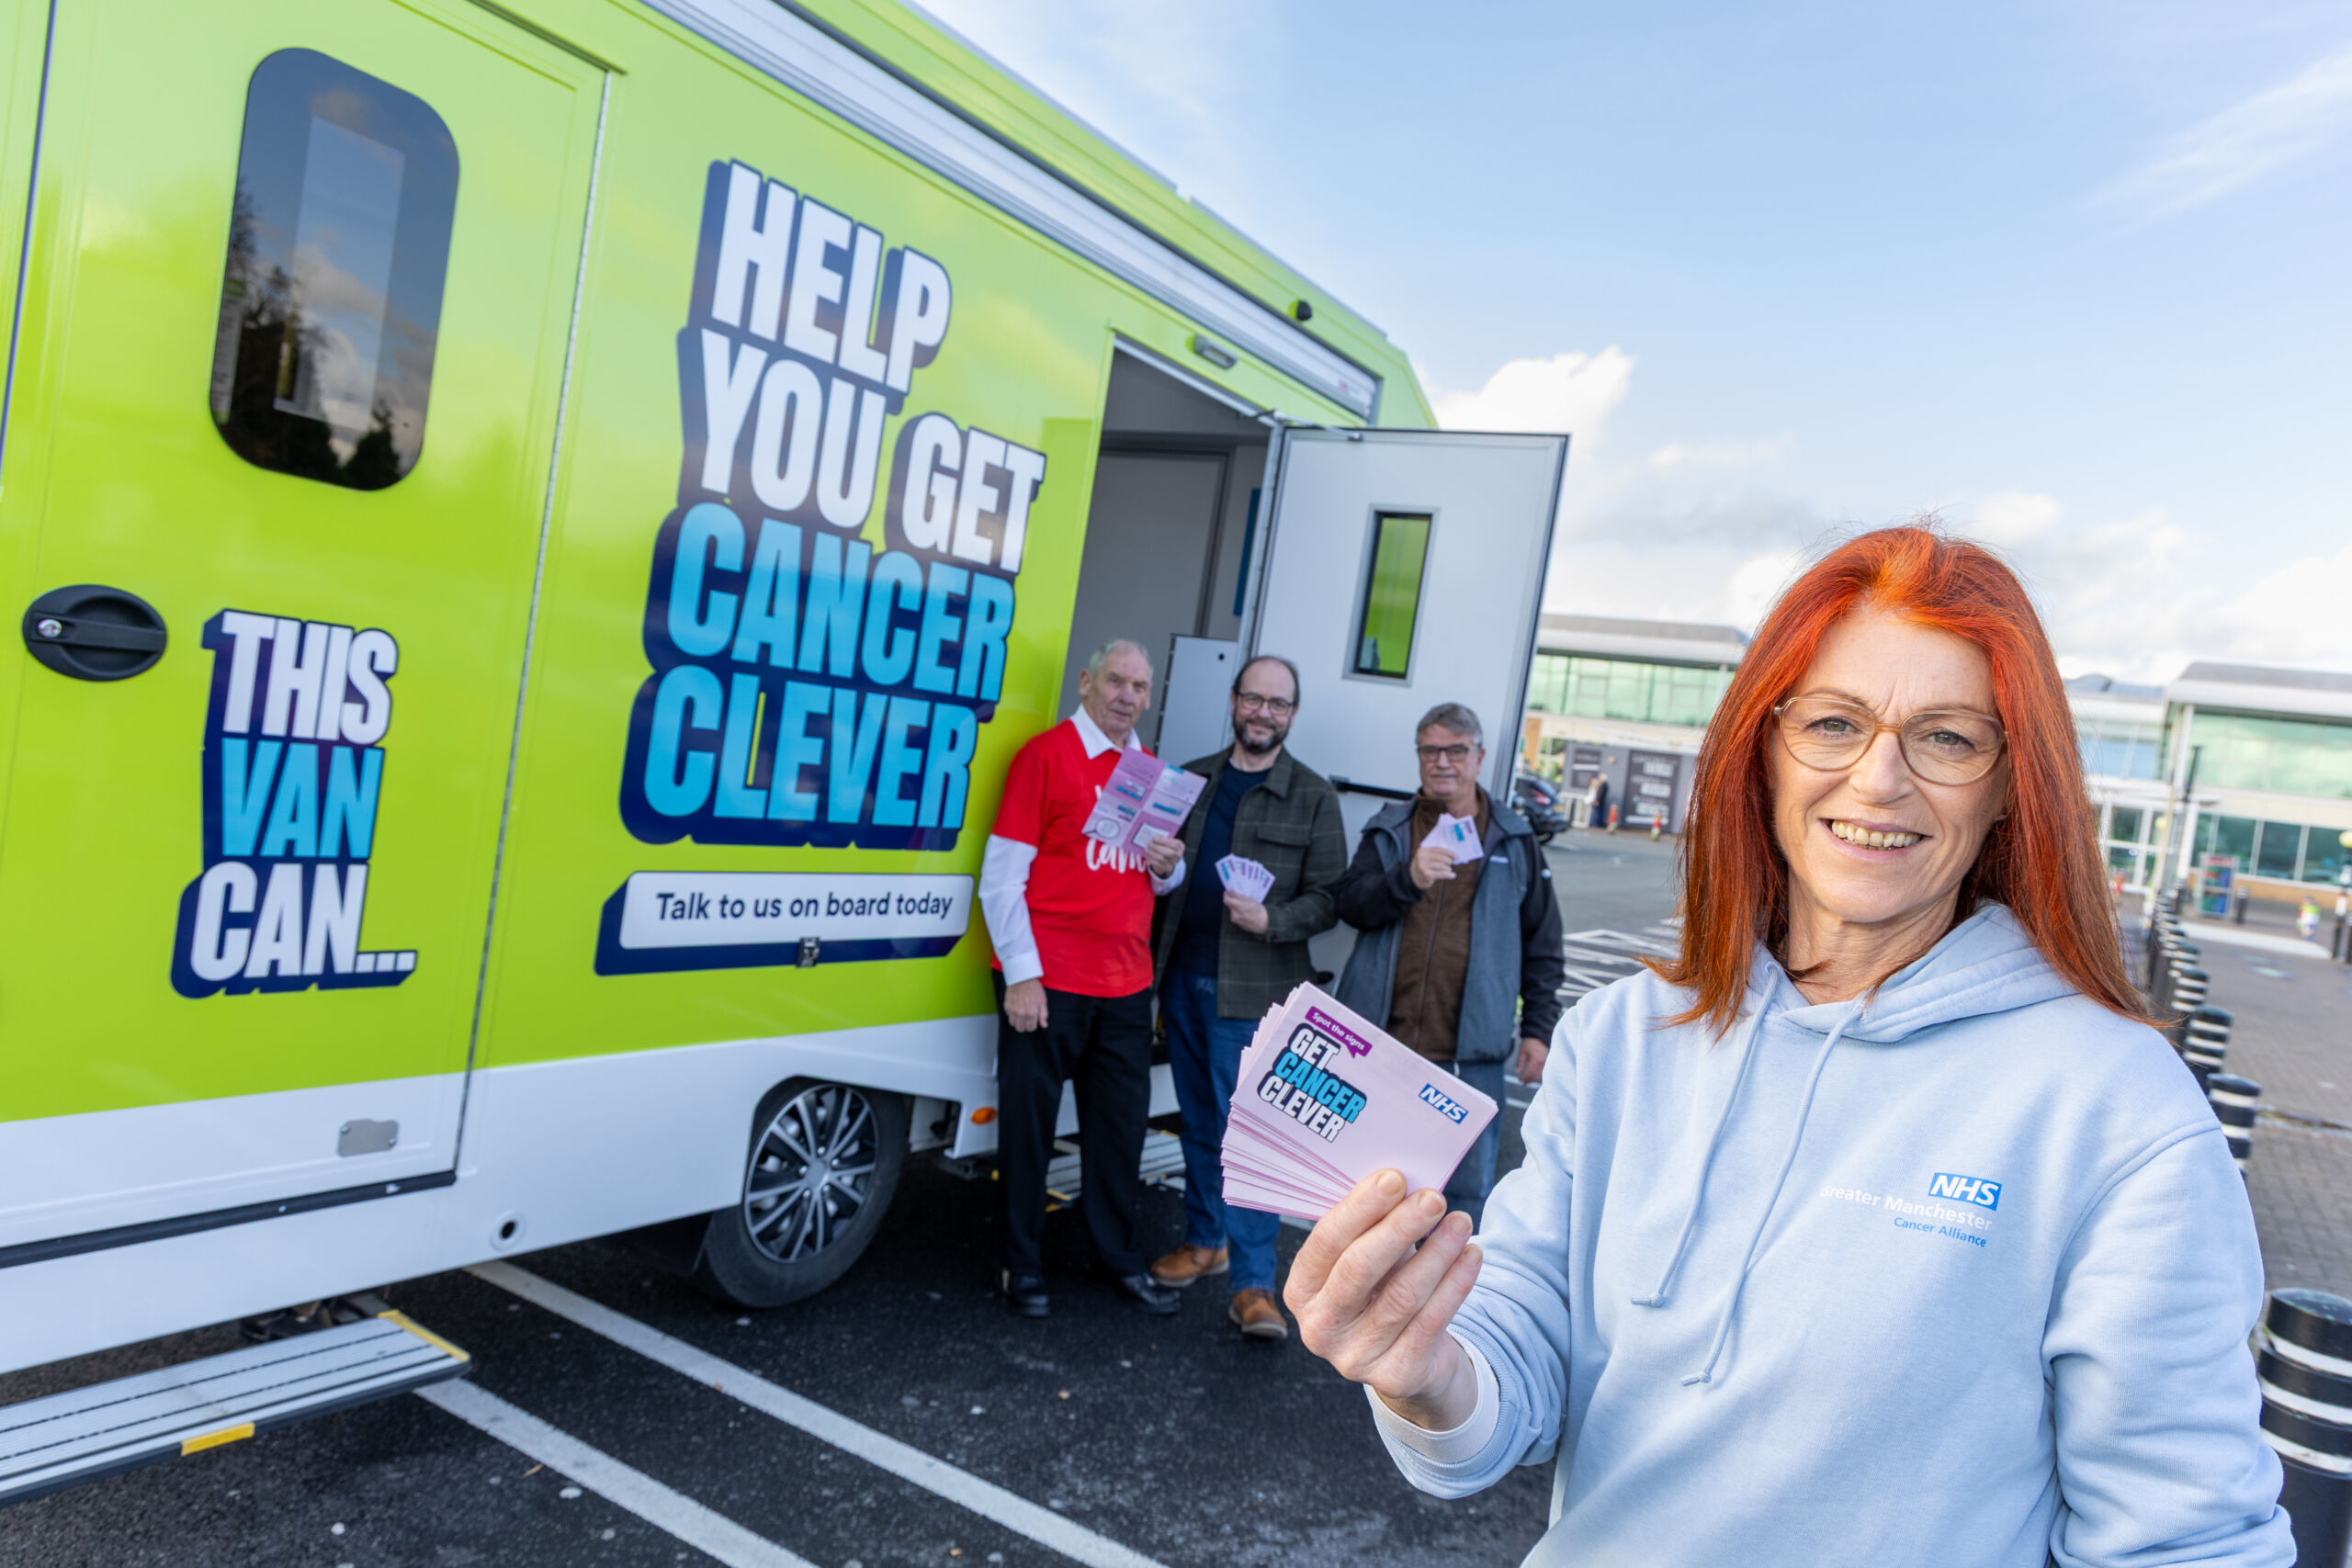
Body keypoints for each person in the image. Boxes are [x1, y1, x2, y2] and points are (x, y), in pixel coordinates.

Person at [1286, 527, 2292, 1566]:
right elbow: (1509, 1373)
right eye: (1832, 722)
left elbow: (2186, 1540)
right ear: (1761, 749)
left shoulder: (2117, 1109)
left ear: (2007, 789)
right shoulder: (1623, 1040)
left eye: (1946, 738)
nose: (1879, 779)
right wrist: (1422, 1368)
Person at [978, 638, 1186, 1320]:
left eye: (1141, 686)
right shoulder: (1046, 757)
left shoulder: (1150, 770)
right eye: (1118, 681)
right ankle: (1021, 1265)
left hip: (1125, 983)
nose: (1129, 696)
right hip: (1051, 980)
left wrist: (1167, 865)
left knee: (1118, 1133)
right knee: (1030, 1133)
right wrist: (1022, 975)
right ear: (1088, 682)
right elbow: (1002, 877)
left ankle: (1116, 1260)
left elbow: (1159, 882)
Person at [1146, 654, 1347, 1338]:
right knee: (1199, 1123)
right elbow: (1156, 873)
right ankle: (1206, 1241)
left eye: (1278, 704)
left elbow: (1330, 898)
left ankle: (1255, 1286)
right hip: (1181, 980)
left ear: (1292, 713)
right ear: (1234, 701)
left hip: (1255, 994)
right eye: (1253, 699)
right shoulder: (1190, 780)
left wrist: (1274, 920)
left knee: (1255, 1139)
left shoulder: (1314, 796)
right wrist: (1160, 871)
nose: (1264, 712)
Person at [1332, 703, 1564, 1227]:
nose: (1443, 762)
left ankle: (1449, 1312)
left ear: (1478, 757)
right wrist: (1407, 878)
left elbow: (1543, 943)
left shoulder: (1514, 839)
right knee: (1366, 1196)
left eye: (1456, 751)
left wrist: (1537, 1031)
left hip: (1469, 1062)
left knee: (1460, 1204)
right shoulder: (1389, 829)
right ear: (1418, 757)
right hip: (1382, 1050)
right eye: (1431, 750)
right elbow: (1349, 906)